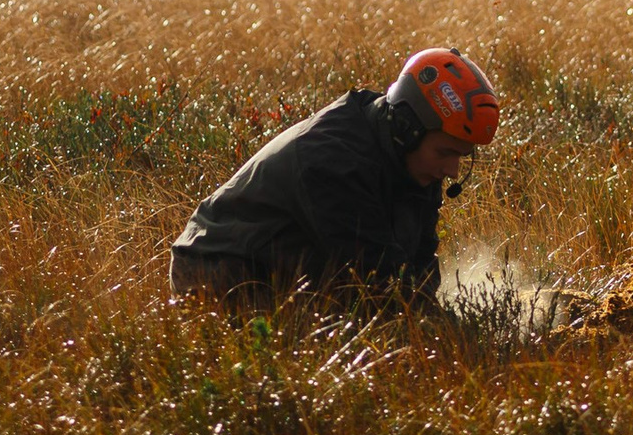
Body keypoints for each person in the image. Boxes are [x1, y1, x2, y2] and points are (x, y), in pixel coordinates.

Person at [168, 49, 501, 307]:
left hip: (291, 270)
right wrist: (458, 338)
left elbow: (417, 266)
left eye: (462, 155)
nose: (453, 170)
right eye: (446, 153)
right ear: (408, 128)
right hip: (218, 273)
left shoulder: (411, 160)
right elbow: (381, 288)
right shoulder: (334, 163)